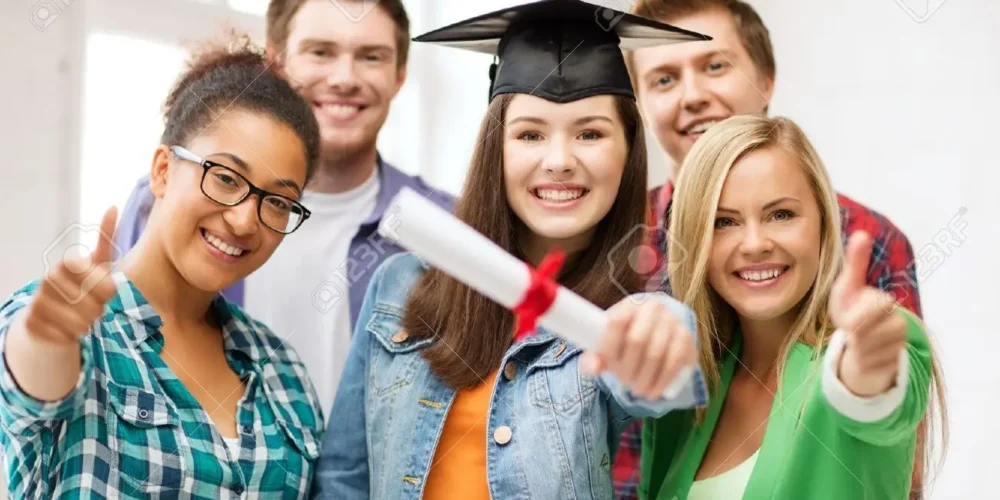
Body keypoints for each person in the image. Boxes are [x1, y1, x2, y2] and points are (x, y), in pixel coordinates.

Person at [310, 2, 712, 498]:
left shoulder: (640, 300)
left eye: (590, 133)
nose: (559, 160)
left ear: (629, 149)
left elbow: (660, 361)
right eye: (530, 134)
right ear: (496, 148)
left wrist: (662, 336)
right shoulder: (400, 285)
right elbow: (345, 478)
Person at [609, 1, 928, 497]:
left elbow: (888, 425)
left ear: (766, 78)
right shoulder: (616, 239)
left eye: (715, 65)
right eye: (665, 79)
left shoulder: (868, 237)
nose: (692, 95)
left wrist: (864, 369)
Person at [0, 38, 326, 498]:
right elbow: (29, 378)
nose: (243, 220)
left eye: (276, 201)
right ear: (163, 170)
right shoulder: (76, 329)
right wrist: (44, 339)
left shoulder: (283, 371)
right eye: (226, 178)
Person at [112, 0, 453, 418]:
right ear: (276, 59)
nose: (344, 78)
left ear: (400, 75)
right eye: (320, 52)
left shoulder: (447, 229)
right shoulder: (165, 205)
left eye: (371, 57)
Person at [639, 114, 947, 499]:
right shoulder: (687, 393)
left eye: (780, 215)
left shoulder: (854, 349)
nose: (754, 244)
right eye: (724, 222)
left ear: (822, 220)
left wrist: (865, 370)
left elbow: (870, 396)